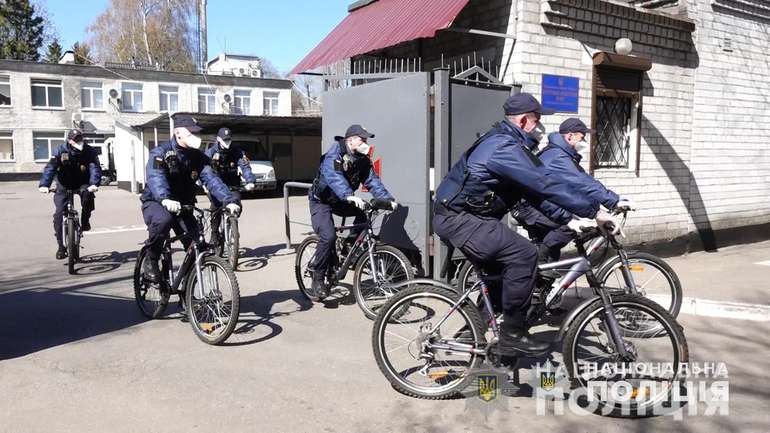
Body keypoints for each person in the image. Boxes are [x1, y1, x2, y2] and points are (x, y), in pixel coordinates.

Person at [433, 93, 619, 356]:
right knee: (524, 254)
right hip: (459, 219)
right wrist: (594, 211)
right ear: (523, 121)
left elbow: (531, 193)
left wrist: (570, 219)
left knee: (500, 281)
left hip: (466, 218)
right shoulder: (504, 148)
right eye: (538, 119)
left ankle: (472, 335)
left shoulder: (510, 145)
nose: (541, 126)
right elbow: (544, 183)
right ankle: (512, 337)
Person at [512, 118, 632, 262]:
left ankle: (542, 279)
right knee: (568, 226)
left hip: (536, 204)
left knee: (552, 257)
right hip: (528, 206)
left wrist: (597, 209)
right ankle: (538, 262)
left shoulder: (561, 154)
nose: (585, 141)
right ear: (570, 136)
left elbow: (577, 187)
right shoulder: (557, 156)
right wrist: (614, 201)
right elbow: (582, 182)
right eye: (582, 137)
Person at [140, 115, 239, 282]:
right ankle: (151, 259)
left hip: (183, 205)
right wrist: (164, 198)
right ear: (178, 133)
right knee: (163, 221)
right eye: (191, 132)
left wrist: (228, 200)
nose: (196, 136)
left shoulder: (197, 157)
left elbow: (212, 179)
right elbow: (156, 176)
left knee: (196, 244)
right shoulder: (161, 152)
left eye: (196, 132)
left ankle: (187, 293)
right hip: (157, 201)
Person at [307, 124, 397, 300]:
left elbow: (372, 181)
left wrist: (387, 200)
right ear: (350, 140)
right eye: (362, 139)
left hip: (342, 200)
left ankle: (348, 244)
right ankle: (317, 278)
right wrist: (349, 195)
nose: (365, 142)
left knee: (365, 213)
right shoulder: (335, 154)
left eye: (366, 139)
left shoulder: (362, 158)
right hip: (322, 202)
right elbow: (333, 176)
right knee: (328, 236)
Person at [38, 128, 101, 259]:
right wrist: (44, 185)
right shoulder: (60, 150)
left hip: (82, 182)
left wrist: (94, 183)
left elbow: (94, 167)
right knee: (59, 214)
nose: (80, 141)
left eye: (81, 138)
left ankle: (85, 221)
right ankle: (61, 247)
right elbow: (51, 167)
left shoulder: (89, 151)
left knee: (88, 196)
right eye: (76, 139)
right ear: (69, 141)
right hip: (64, 183)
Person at [204, 126, 256, 246]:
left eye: (229, 139)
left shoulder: (237, 151)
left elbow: (245, 166)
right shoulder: (211, 152)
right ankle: (214, 233)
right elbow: (204, 170)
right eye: (224, 139)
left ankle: (232, 226)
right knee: (215, 207)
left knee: (237, 204)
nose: (227, 142)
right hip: (216, 184)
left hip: (233, 184)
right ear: (218, 139)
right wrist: (204, 185)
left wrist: (250, 181)